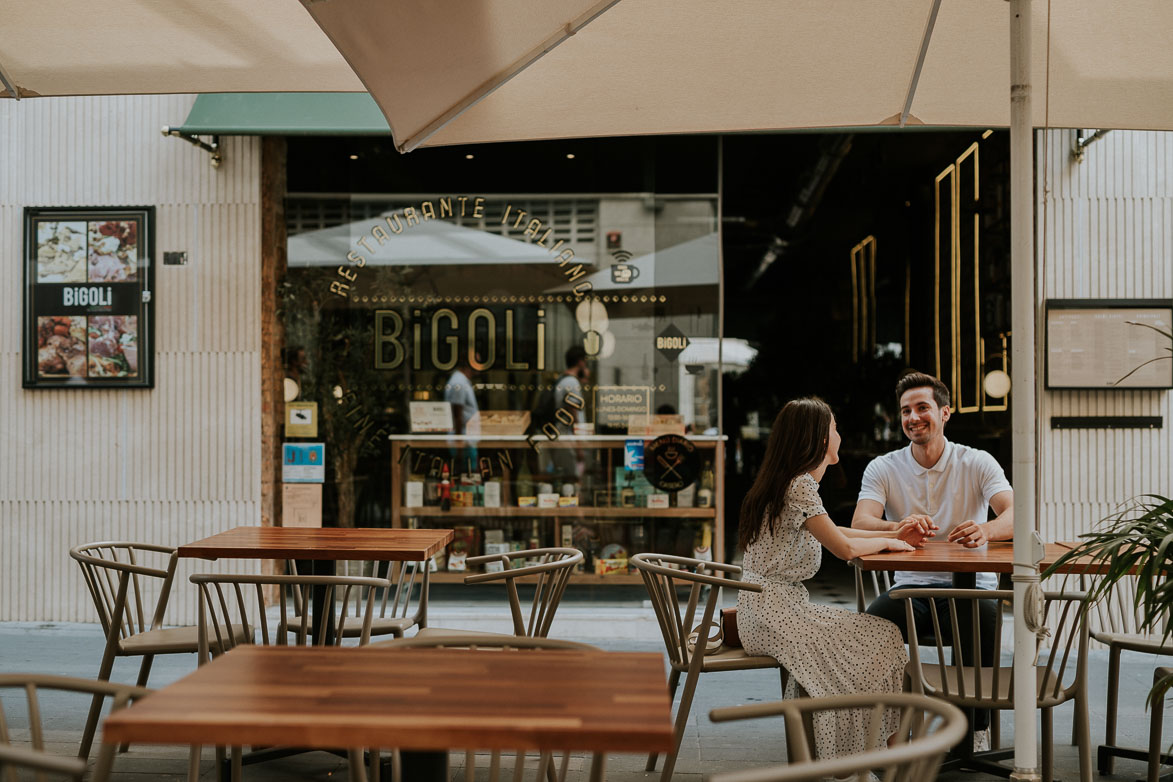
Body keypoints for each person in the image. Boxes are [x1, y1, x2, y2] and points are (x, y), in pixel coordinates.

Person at [737, 397, 928, 763]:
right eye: (835, 428)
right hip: (774, 613)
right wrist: (891, 541)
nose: (839, 435)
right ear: (821, 440)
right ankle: (874, 749)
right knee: (882, 635)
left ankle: (877, 747)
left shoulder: (789, 483)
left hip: (766, 608)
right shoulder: (800, 486)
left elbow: (833, 530)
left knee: (880, 635)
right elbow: (842, 547)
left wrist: (894, 537)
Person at [851, 371, 1013, 744]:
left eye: (922, 407)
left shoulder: (976, 462)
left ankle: (974, 730)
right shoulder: (884, 467)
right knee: (868, 628)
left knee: (985, 615)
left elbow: (1015, 512)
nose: (912, 417)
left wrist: (985, 530)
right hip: (912, 589)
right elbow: (861, 521)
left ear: (945, 413)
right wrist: (897, 529)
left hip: (970, 591)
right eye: (905, 410)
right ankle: (886, 730)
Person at [443, 354, 479, 435]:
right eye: (477, 362)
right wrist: (459, 442)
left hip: (466, 439)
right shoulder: (459, 382)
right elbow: (457, 414)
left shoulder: (462, 381)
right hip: (462, 440)